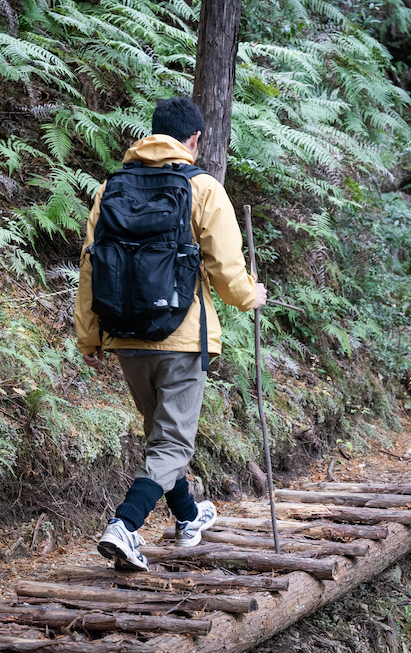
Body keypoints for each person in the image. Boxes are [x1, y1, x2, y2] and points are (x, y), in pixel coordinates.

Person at [74, 97, 267, 571]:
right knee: (172, 443)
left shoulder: (111, 188)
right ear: (194, 140)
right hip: (181, 336)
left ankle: (187, 517)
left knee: (162, 435)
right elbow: (225, 269)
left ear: (151, 134)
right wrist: (250, 296)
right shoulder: (202, 187)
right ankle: (125, 525)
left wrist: (89, 336)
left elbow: (90, 265)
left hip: (124, 334)